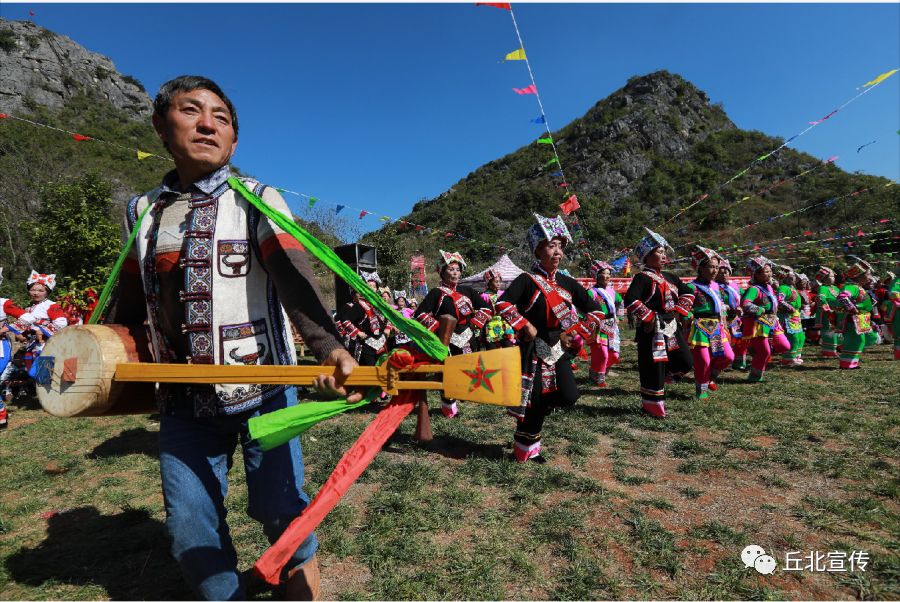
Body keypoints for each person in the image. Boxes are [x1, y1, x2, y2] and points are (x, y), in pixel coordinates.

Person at [106, 75, 360, 600]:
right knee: (189, 527)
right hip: (182, 402)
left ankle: (299, 570)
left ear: (234, 142)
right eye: (191, 111)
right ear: (160, 127)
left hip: (267, 390)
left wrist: (332, 350)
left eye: (220, 118)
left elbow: (294, 281)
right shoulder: (142, 212)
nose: (207, 125)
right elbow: (130, 302)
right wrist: (100, 348)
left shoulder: (258, 200)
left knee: (280, 508)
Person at [494, 214, 605, 461]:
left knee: (567, 395)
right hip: (533, 348)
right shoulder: (527, 280)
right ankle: (525, 450)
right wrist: (524, 324)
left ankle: (536, 422)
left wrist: (574, 332)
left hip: (557, 347)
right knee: (533, 401)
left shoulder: (567, 282)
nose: (558, 252)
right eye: (552, 246)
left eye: (560, 247)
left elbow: (597, 311)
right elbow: (502, 304)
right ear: (538, 250)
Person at [623, 227, 695, 418]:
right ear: (647, 256)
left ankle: (667, 375)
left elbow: (688, 292)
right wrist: (649, 318)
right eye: (659, 252)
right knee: (653, 368)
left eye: (664, 252)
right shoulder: (641, 278)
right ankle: (653, 407)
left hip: (671, 326)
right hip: (652, 329)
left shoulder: (671, 277)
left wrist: (679, 311)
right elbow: (631, 300)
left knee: (685, 361)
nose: (664, 256)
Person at [413, 250, 491, 418]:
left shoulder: (467, 291)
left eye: (457, 269)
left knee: (469, 368)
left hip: (467, 336)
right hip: (446, 338)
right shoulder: (436, 293)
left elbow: (486, 307)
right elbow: (419, 314)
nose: (455, 273)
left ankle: (464, 393)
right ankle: (448, 405)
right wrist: (438, 328)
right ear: (442, 272)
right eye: (451, 269)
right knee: (447, 371)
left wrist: (476, 322)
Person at [684, 247, 734, 399]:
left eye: (717, 267)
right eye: (711, 267)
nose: (715, 270)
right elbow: (683, 308)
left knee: (727, 356)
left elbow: (720, 306)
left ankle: (711, 375)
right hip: (699, 328)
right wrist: (689, 316)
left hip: (715, 327)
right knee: (703, 361)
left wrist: (725, 322)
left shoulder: (716, 286)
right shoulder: (691, 287)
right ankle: (702, 391)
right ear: (700, 268)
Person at [739, 256, 790, 382]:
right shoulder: (754, 289)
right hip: (759, 324)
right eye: (766, 271)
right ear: (756, 275)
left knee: (784, 345)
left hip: (772, 322)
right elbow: (745, 304)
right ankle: (755, 375)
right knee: (764, 352)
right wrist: (759, 310)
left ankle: (756, 349)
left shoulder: (769, 287)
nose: (769, 274)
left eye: (770, 271)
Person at [835, 257, 879, 369]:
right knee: (857, 340)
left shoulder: (858, 287)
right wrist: (852, 308)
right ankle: (847, 364)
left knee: (866, 339)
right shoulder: (852, 287)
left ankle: (848, 358)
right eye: (868, 274)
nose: (870, 277)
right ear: (859, 276)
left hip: (861, 318)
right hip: (853, 319)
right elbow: (842, 297)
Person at [586, 260, 622, 388]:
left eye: (608, 274)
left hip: (611, 326)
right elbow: (583, 307)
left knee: (614, 355)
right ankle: (599, 378)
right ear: (596, 275)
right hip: (597, 326)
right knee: (601, 353)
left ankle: (597, 370)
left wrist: (619, 317)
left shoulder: (612, 292)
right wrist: (589, 322)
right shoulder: (592, 292)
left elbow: (620, 303)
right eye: (604, 274)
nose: (607, 276)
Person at [715, 258, 745, 370]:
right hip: (721, 318)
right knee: (724, 340)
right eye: (720, 272)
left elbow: (744, 296)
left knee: (739, 340)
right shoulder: (713, 286)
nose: (723, 274)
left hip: (735, 317)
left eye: (726, 272)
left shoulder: (734, 286)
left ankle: (739, 363)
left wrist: (741, 306)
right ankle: (719, 363)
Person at [774, 265, 805, 366]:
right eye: (791, 277)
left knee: (801, 336)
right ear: (784, 278)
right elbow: (779, 300)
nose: (794, 278)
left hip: (795, 315)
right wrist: (790, 308)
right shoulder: (783, 288)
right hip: (787, 316)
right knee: (793, 337)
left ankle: (796, 356)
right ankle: (788, 358)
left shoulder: (792, 288)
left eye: (794, 276)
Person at [479, 269, 516, 351]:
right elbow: (479, 310)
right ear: (489, 283)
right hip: (491, 326)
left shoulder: (503, 293)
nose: (498, 284)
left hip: (504, 324)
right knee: (493, 351)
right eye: (496, 282)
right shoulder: (484, 296)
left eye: (499, 281)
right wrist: (486, 316)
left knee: (509, 348)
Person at [814, 266, 842, 358]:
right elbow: (821, 299)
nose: (833, 278)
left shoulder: (835, 288)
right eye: (831, 276)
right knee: (829, 330)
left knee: (836, 330)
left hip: (837, 312)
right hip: (828, 313)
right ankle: (830, 351)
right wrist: (828, 309)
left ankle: (833, 348)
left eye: (833, 276)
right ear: (824, 278)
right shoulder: (823, 288)